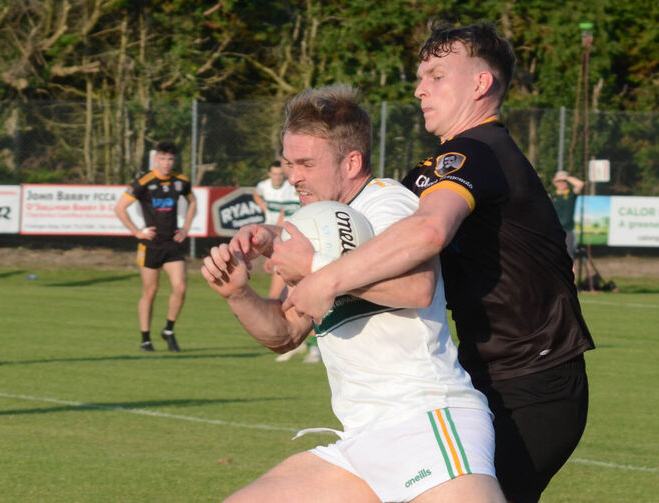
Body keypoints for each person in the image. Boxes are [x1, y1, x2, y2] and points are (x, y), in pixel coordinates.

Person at [280, 23, 594, 503]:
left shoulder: (477, 152)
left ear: (480, 84)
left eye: (437, 75)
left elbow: (428, 231)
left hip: (532, 382)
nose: (419, 87)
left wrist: (325, 275)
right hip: (483, 377)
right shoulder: (433, 170)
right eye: (421, 75)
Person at [202, 85, 505, 503]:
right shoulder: (313, 225)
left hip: (425, 420)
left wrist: (313, 267)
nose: (293, 176)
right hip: (361, 442)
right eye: (289, 164)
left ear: (352, 162)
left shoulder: (386, 204)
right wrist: (238, 293)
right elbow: (286, 333)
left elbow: (418, 287)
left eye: (306, 163)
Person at [115, 140, 197, 352]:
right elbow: (120, 208)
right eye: (162, 158)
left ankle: (168, 330)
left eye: (170, 159)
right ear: (155, 159)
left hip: (172, 244)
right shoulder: (144, 182)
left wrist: (186, 228)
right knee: (150, 291)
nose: (167, 163)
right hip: (150, 245)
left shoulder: (181, 181)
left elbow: (193, 202)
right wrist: (137, 232)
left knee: (180, 287)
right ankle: (145, 338)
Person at [253, 160, 316, 362]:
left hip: (296, 246)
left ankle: (315, 348)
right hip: (282, 246)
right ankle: (294, 343)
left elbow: (283, 220)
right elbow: (260, 196)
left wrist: (274, 250)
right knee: (277, 298)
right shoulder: (265, 187)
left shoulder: (294, 190)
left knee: (307, 299)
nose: (279, 176)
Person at [550, 170, 584, 259]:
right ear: (555, 183)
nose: (561, 183)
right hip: (554, 231)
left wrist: (566, 177)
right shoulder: (552, 196)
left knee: (569, 257)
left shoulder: (571, 194)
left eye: (563, 181)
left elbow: (580, 184)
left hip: (568, 231)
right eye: (559, 181)